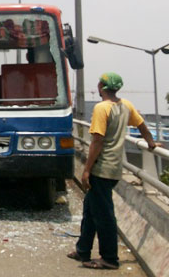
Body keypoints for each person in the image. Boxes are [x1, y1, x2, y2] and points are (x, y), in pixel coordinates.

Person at [67, 72, 159, 270]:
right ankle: (82, 250)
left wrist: (86, 170)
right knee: (90, 209)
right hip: (115, 167)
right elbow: (142, 125)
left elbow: (97, 141)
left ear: (101, 86)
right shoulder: (126, 105)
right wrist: (150, 142)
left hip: (102, 169)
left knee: (104, 215)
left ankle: (109, 258)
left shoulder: (102, 108)